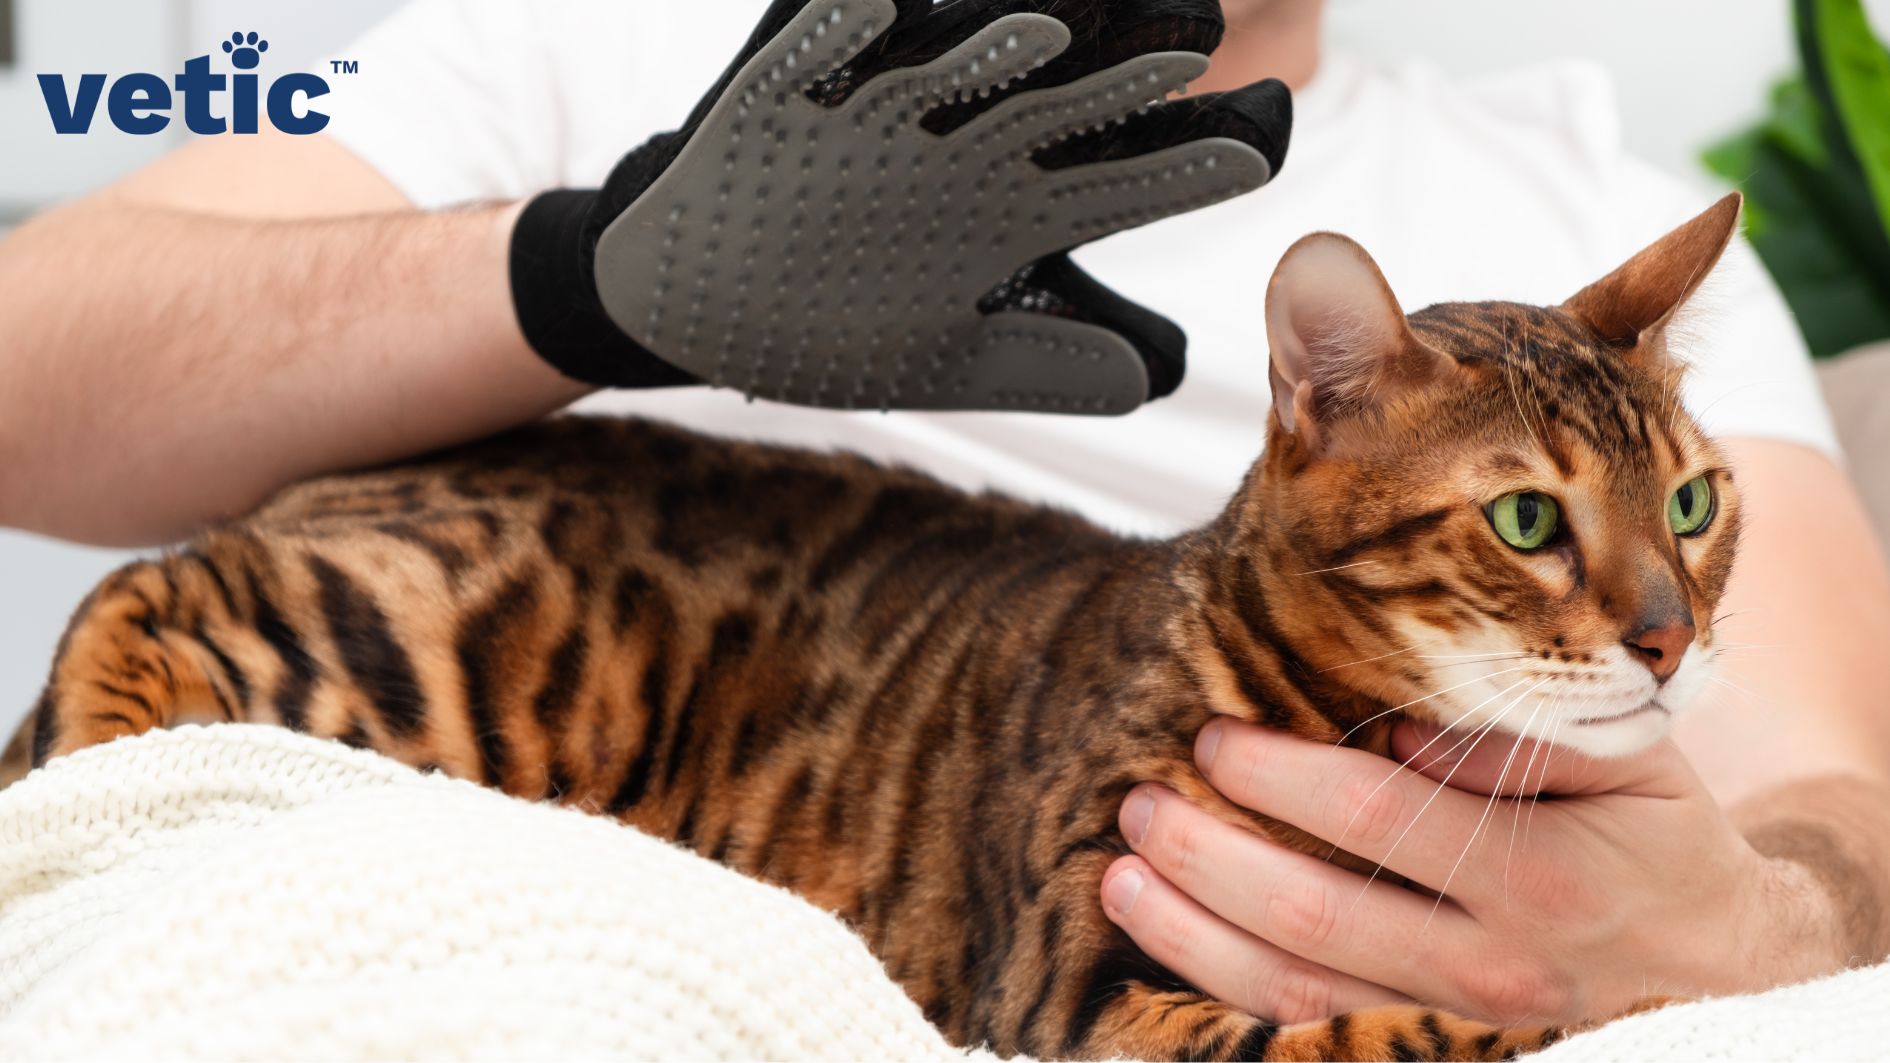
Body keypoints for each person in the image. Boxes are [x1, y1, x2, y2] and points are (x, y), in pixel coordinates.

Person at [2, 0, 1886, 1030]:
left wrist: (1751, 927)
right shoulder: (607, 34)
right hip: (566, 802)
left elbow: (1840, 797)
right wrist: (579, 278)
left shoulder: (1591, 201)